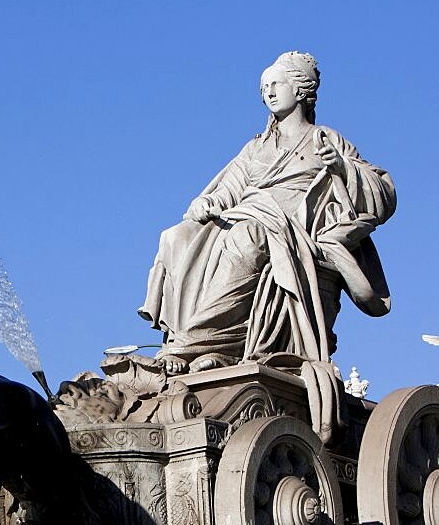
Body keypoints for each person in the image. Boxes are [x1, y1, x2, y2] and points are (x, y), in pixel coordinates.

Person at [139, 52, 396, 376]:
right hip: (251, 214)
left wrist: (342, 167)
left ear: (301, 89)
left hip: (296, 230)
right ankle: (218, 349)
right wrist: (207, 203)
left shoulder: (326, 139)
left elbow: (382, 193)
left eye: (277, 84)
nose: (269, 92)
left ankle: (196, 344)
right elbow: (230, 188)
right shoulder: (256, 147)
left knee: (248, 235)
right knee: (177, 236)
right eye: (264, 87)